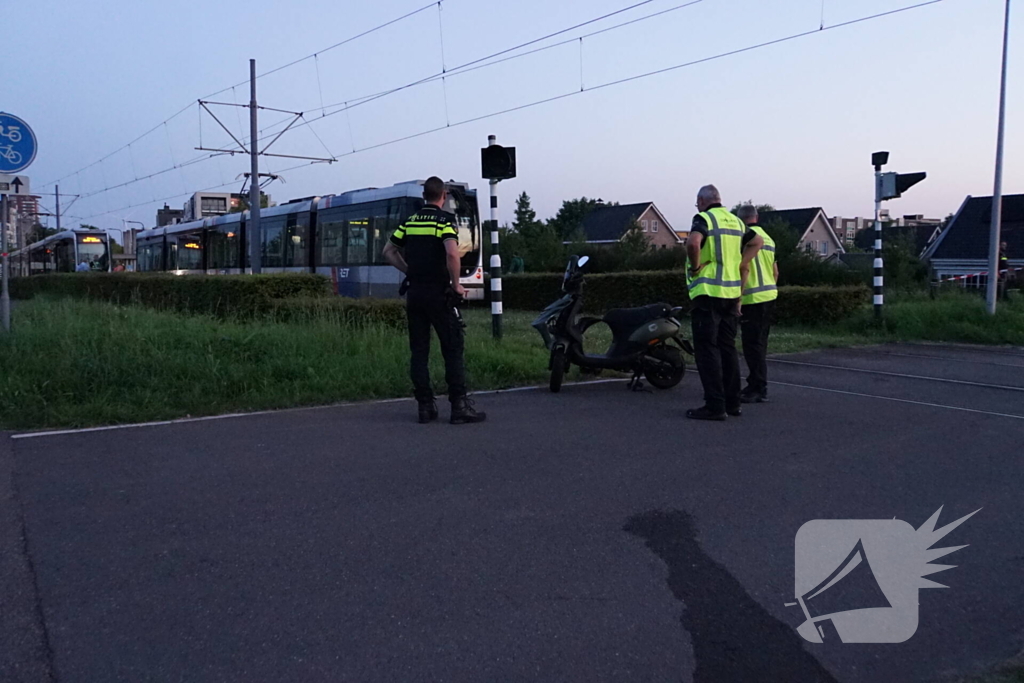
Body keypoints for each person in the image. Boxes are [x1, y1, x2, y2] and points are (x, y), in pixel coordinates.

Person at [382, 177, 486, 424]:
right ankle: (459, 407)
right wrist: (457, 284)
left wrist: (409, 271)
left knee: (419, 351)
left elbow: (388, 251)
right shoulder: (444, 221)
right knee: (452, 347)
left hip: (415, 293)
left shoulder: (410, 222)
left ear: (424, 195)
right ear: (444, 195)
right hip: (438, 294)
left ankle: (425, 407)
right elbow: (451, 252)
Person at [685, 185, 751, 421]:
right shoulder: (736, 222)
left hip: (708, 293)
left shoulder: (704, 218)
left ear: (702, 201)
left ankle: (715, 405)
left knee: (706, 350)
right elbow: (757, 241)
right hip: (732, 294)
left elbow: (693, 243)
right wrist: (743, 264)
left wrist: (695, 268)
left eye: (697, 203)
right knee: (727, 348)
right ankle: (733, 403)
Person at [736, 205, 777, 404]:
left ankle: (758, 387)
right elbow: (775, 271)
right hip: (769, 295)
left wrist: (738, 297)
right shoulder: (769, 239)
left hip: (751, 298)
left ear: (740, 220)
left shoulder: (743, 238)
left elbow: (742, 267)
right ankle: (756, 383)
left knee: (752, 346)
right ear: (757, 217)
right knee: (760, 344)